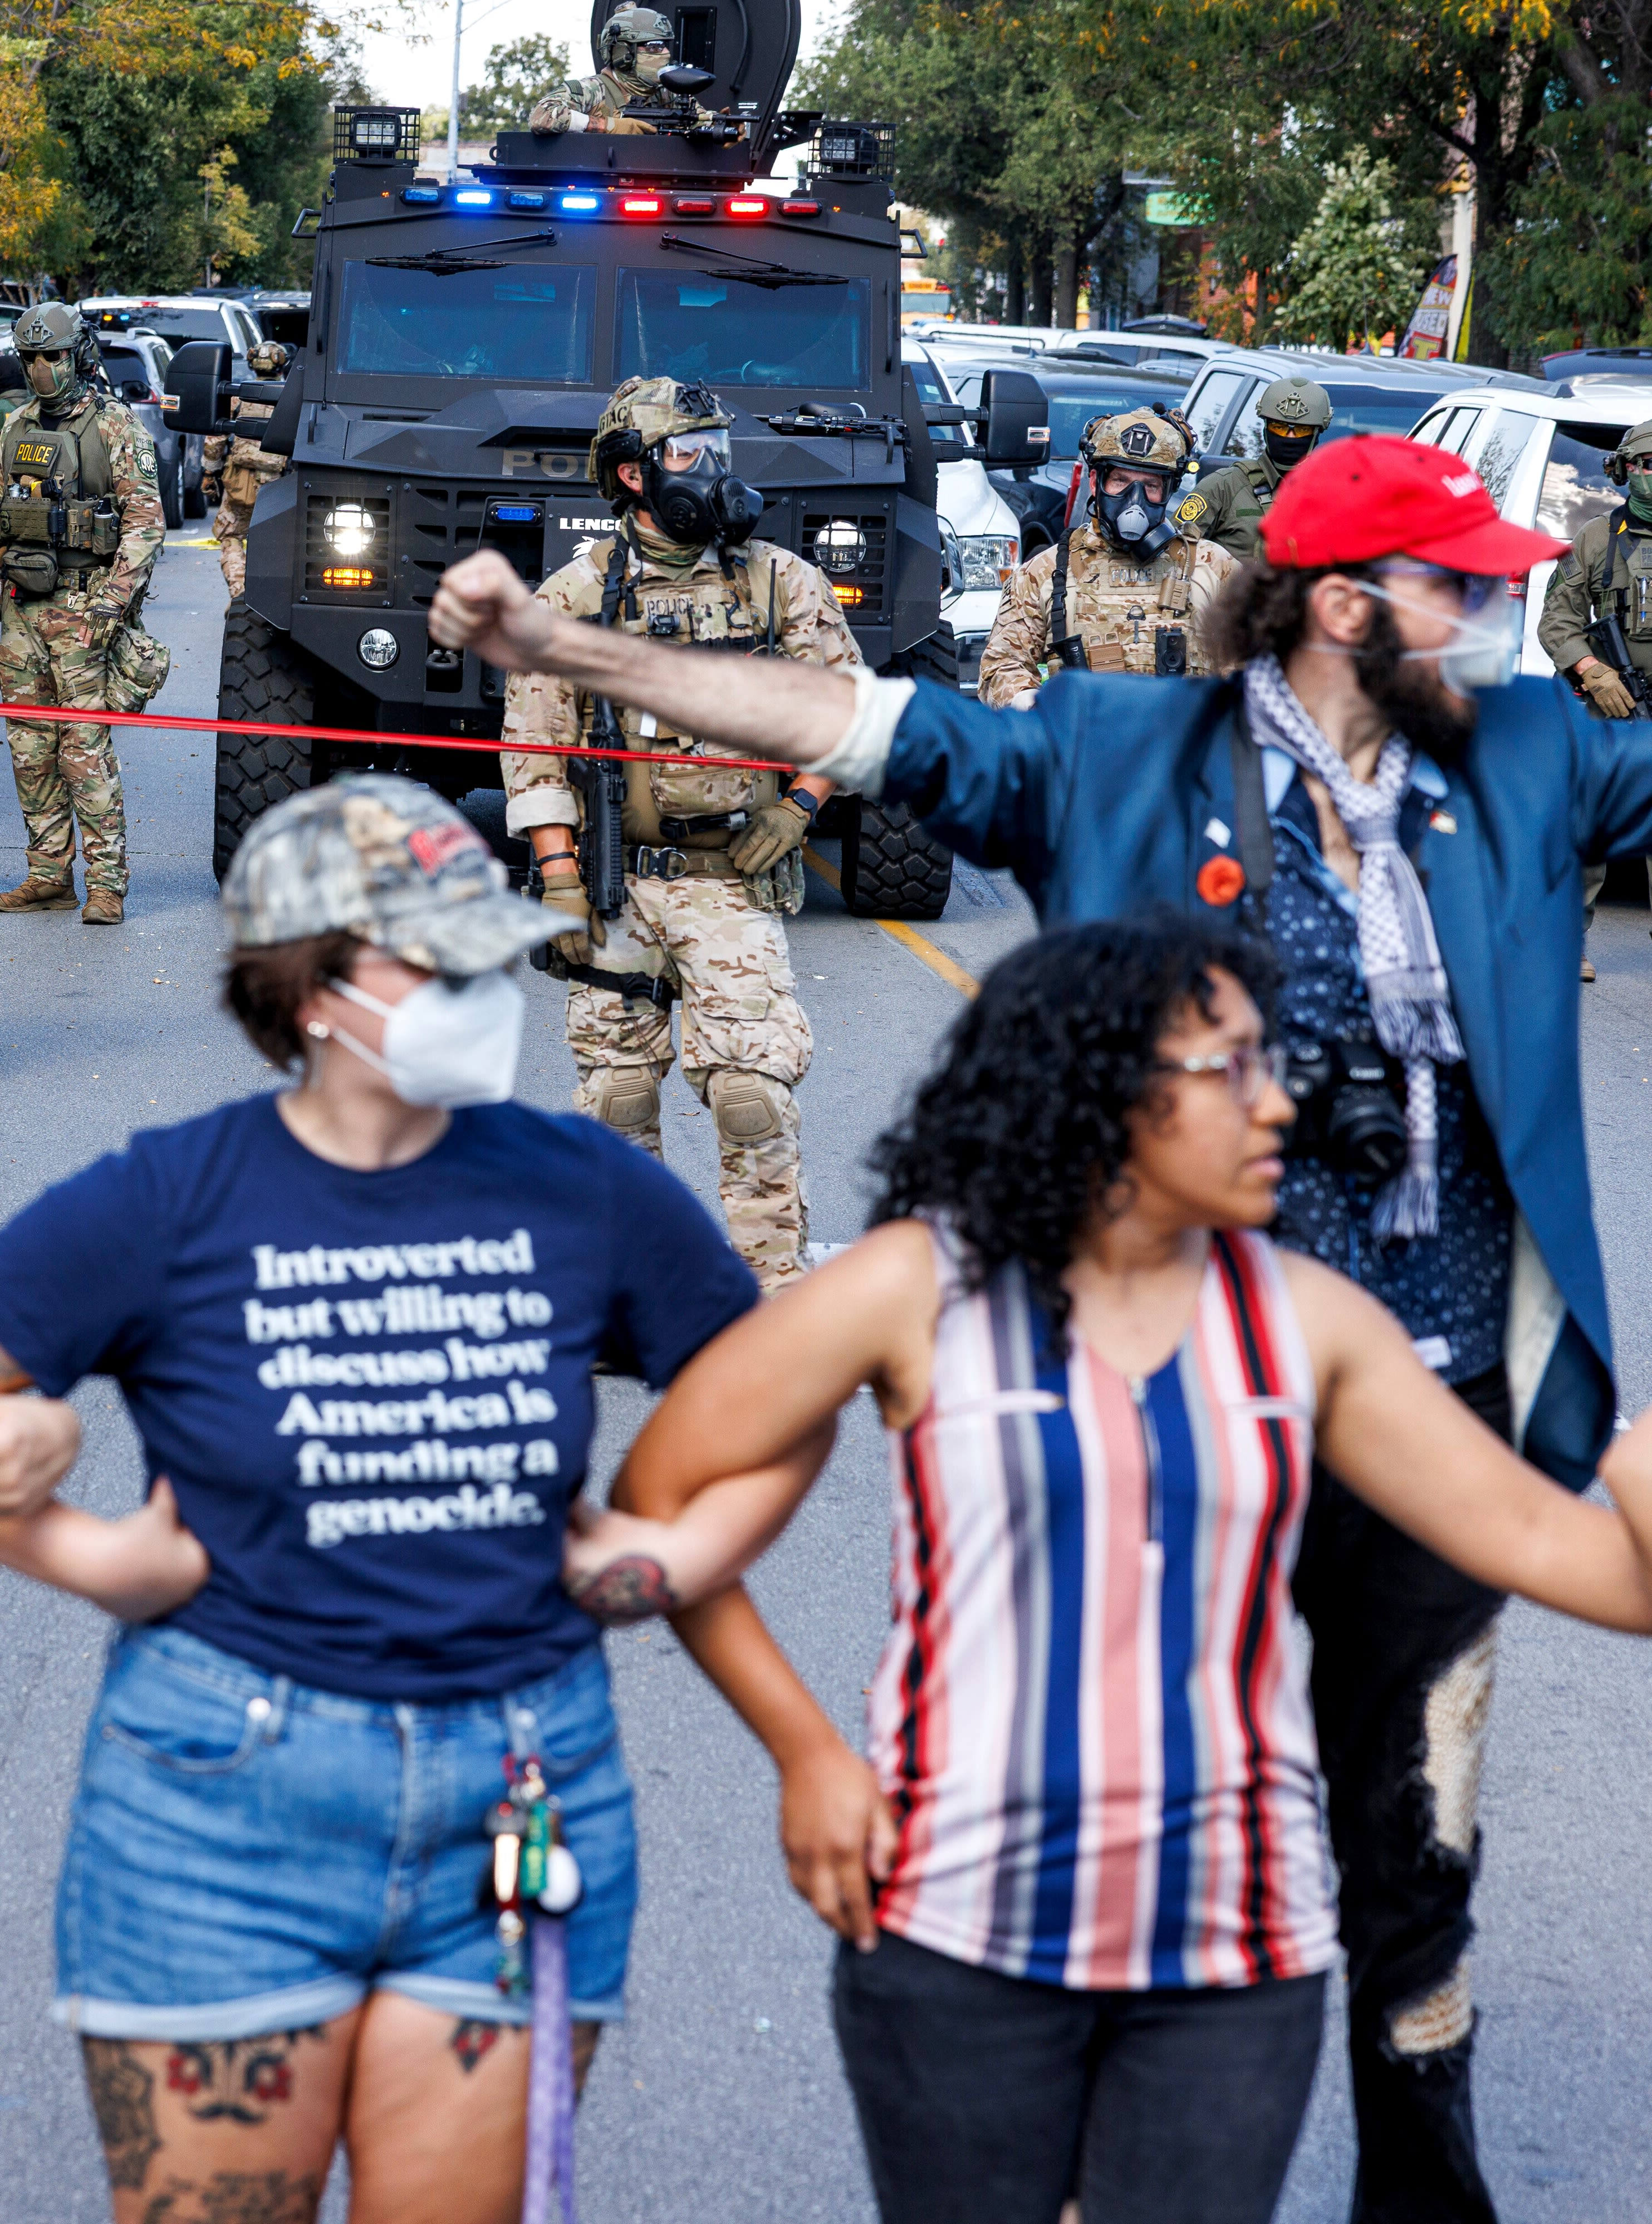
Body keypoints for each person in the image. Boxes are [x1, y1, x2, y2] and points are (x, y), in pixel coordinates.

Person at [430, 431, 1652, 2223]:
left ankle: (1417, 2148)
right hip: (1158, 1387)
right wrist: (568, 651)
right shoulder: (1115, 746)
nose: (1491, 615)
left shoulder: (1529, 753)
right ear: (1337, 605)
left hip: (1447, 1387)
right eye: (1456, 587)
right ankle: (1068, 2072)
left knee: (1413, 1821)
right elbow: (851, 728)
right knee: (1131, 1767)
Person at [558, 915, 1652, 2224]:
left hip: (1228, 1946)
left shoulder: (1302, 1322)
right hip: (952, 1922)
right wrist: (806, 1754)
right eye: (1229, 1067)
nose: (1277, 1100)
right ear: (1102, 1089)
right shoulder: (918, 1285)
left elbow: (1579, 1564)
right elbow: (660, 1497)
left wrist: (1616, 1438)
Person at [0, 772, 778, 2224]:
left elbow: (772, 1384)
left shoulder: (586, 1187)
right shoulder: (171, 1195)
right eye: (436, 959)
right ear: (305, 991)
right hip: (215, 1806)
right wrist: (81, 1548)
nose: (485, 989)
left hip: (517, 1783)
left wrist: (674, 1552)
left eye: (490, 953)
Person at [502, 374, 858, 1293]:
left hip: (730, 876)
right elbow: (535, 752)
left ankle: (769, 1285)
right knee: (617, 1097)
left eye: (718, 453)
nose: (714, 474)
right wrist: (560, 879)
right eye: (691, 457)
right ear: (631, 476)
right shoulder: (574, 597)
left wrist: (801, 806)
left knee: (748, 1094)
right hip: (614, 879)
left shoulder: (778, 581)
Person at [0, 302, 164, 927]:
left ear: (79, 355)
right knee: (30, 748)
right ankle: (49, 875)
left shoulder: (115, 427)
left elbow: (146, 525)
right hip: (21, 613)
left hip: (83, 609)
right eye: (31, 358)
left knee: (85, 751)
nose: (42, 370)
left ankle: (106, 883)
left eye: (53, 357)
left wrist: (110, 606)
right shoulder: (14, 426)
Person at [978, 408, 1233, 706]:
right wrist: (1029, 702)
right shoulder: (1045, 572)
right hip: (1085, 745)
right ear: (1095, 482)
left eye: (1150, 486)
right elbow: (1001, 666)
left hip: (1182, 748)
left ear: (1169, 490)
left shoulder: (1212, 566)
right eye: (1121, 481)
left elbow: (1260, 662)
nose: (1133, 498)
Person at [1536, 418, 1652, 981]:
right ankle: (1569, 942)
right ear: (1625, 471)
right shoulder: (1597, 538)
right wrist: (1591, 670)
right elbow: (1558, 620)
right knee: (1586, 829)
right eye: (1646, 465)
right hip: (1609, 707)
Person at [1172, 376, 1333, 557]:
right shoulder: (1225, 486)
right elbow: (1175, 552)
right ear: (1266, 429)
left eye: (1302, 430)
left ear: (1317, 434)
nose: (1290, 436)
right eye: (1279, 427)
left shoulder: (1334, 495)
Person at [528, 7, 720, 136]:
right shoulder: (591, 90)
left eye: (665, 46)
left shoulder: (669, 93)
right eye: (654, 47)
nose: (666, 54)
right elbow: (542, 116)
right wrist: (609, 125)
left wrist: (723, 127)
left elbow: (699, 120)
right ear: (624, 53)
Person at [202, 338, 291, 602]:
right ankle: (268, 603)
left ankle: (240, 595)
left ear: (253, 364)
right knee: (279, 545)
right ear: (281, 365)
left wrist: (209, 473)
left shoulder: (239, 397)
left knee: (230, 537)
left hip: (239, 483)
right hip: (280, 485)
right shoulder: (292, 398)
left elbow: (215, 439)